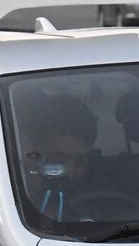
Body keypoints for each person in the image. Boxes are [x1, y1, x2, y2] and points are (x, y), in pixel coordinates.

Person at [16, 94, 99, 222]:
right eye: (59, 161)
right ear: (30, 150)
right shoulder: (7, 205)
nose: (71, 172)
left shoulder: (98, 202)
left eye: (80, 162)